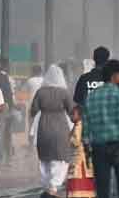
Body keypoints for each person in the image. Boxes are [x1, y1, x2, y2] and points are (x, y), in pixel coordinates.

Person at [83, 59, 119, 198]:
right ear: (114, 76)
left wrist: (86, 146)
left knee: (102, 189)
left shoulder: (91, 97)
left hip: (99, 148)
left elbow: (86, 125)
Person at [31, 65, 76, 197]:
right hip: (60, 126)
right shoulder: (64, 92)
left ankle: (46, 186)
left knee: (45, 157)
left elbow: (33, 110)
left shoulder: (40, 92)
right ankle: (54, 186)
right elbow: (72, 111)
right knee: (60, 157)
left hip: (44, 126)